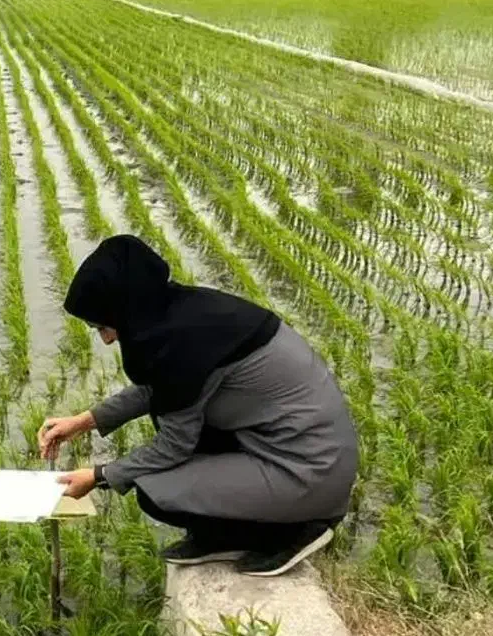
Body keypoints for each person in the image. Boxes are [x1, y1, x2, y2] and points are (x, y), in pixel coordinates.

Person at [39, 235, 358, 577]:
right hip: (303, 454)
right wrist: (83, 422)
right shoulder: (184, 315)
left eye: (104, 325)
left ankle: (295, 530)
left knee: (153, 489)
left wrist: (100, 476)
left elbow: (174, 445)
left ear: (126, 307)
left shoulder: (181, 342)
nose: (107, 339)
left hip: (308, 471)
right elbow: (161, 389)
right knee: (166, 462)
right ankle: (224, 536)